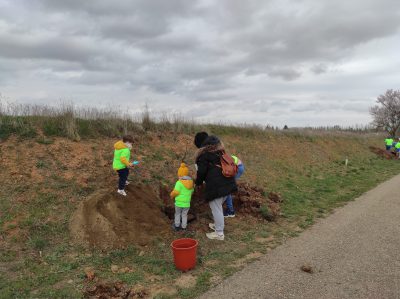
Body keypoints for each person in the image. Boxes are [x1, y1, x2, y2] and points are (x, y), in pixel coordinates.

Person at [194, 134, 237, 241]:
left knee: (216, 208)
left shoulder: (204, 156)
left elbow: (201, 172)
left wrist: (198, 183)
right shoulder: (221, 153)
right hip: (228, 183)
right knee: (218, 207)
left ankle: (219, 233)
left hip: (216, 186)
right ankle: (218, 225)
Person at [170, 163, 194, 232]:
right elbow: (192, 191)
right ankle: (184, 227)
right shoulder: (191, 183)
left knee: (177, 214)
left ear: (180, 175)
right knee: (184, 215)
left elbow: (176, 192)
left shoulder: (179, 182)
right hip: (187, 204)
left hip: (179, 203)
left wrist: (171, 195)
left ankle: (177, 226)